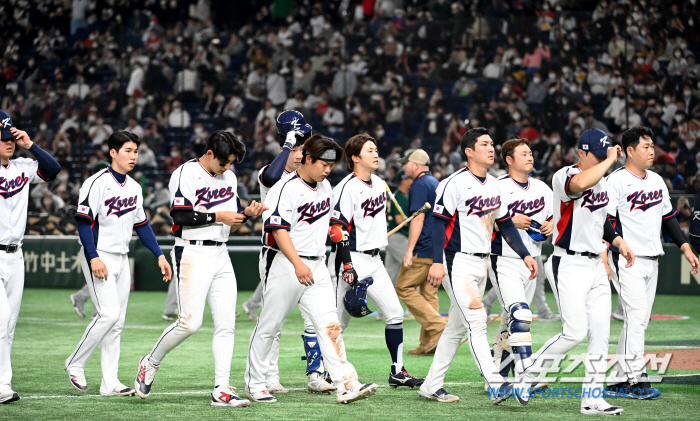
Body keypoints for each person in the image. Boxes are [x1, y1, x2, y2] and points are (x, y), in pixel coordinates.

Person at [135, 131, 266, 408]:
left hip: (221, 252)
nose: (227, 168)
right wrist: (220, 215)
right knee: (189, 323)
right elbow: (180, 215)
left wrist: (247, 215)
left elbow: (234, 221)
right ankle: (150, 362)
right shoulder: (186, 173)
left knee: (226, 323)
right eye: (224, 162)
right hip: (191, 250)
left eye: (231, 163)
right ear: (209, 154)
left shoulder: (228, 177)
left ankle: (222, 388)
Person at [245, 134, 378, 404]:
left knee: (330, 325)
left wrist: (340, 236)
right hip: (284, 261)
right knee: (270, 325)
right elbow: (277, 231)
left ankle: (346, 383)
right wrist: (297, 264)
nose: (328, 170)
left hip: (316, 263)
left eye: (331, 165)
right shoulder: (285, 188)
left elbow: (331, 224)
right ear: (307, 159)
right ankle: (256, 383)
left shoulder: (325, 186)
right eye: (323, 164)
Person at [521, 128, 635, 416]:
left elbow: (602, 220)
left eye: (603, 155)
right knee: (574, 333)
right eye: (595, 155)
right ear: (581, 152)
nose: (600, 160)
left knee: (601, 333)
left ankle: (592, 399)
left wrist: (617, 241)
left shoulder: (604, 181)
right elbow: (581, 184)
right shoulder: (564, 176)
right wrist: (609, 161)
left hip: (596, 263)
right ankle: (527, 375)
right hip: (567, 263)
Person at [419, 128, 536, 404]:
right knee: (477, 321)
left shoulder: (495, 184)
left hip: (482, 262)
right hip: (456, 260)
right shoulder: (453, 183)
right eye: (484, 144)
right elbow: (438, 224)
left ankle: (431, 385)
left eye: (492, 143)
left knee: (457, 328)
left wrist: (524, 254)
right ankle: (495, 382)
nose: (491, 148)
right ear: (469, 151)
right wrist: (437, 263)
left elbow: (505, 223)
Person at [66, 131, 172, 397]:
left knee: (117, 323)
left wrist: (159, 254)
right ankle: (75, 362)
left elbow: (142, 225)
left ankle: (109, 383)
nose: (133, 156)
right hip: (99, 254)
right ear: (112, 153)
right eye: (127, 150)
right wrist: (93, 257)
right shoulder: (96, 183)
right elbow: (83, 221)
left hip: (122, 257)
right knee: (108, 314)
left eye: (135, 151)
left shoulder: (134, 187)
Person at [240, 110, 335, 395]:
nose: (298, 153)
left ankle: (316, 374)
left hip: (311, 257)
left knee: (316, 318)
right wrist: (286, 145)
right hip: (276, 254)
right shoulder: (273, 173)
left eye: (301, 149)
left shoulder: (315, 180)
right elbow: (270, 176)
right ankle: (268, 376)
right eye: (293, 148)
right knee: (274, 320)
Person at [605, 126, 699, 398]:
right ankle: (637, 379)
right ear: (630, 151)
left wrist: (685, 248)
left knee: (639, 320)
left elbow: (668, 219)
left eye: (652, 145)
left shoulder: (657, 180)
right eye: (645, 146)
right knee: (636, 318)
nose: (652, 150)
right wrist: (615, 247)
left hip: (652, 258)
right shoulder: (617, 181)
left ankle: (618, 379)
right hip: (626, 259)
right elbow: (607, 222)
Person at [329, 134, 424, 388]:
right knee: (339, 321)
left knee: (394, 314)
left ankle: (397, 372)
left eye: (376, 149)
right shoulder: (346, 187)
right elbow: (337, 227)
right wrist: (347, 265)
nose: (376, 154)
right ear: (355, 158)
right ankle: (327, 371)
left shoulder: (380, 182)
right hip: (352, 258)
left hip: (375, 260)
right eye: (370, 150)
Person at [0, 111, 61, 404]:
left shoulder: (22, 167)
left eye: (10, 136)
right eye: (3, 139)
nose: (8, 142)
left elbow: (53, 168)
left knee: (9, 325)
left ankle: (2, 384)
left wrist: (30, 144)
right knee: (0, 321)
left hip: (16, 255)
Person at [487, 138, 554, 383]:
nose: (530, 156)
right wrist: (508, 221)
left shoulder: (542, 188)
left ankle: (498, 372)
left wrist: (550, 225)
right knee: (520, 315)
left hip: (533, 258)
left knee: (512, 319)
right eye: (523, 153)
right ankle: (524, 372)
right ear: (509, 159)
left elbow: (553, 217)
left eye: (530, 152)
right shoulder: (496, 186)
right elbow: (481, 222)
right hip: (503, 257)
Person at [394, 149, 445, 356]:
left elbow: (418, 218)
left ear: (415, 165)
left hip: (423, 247)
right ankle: (429, 342)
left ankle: (438, 327)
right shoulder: (436, 183)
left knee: (403, 287)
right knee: (429, 292)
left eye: (406, 163)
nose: (403, 166)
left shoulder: (419, 184)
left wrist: (409, 250)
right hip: (437, 246)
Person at [385, 170, 412, 284]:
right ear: (403, 180)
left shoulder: (397, 195)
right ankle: (418, 300)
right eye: (410, 179)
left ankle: (385, 299)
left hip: (391, 237)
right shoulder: (402, 197)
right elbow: (399, 220)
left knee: (391, 273)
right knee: (413, 267)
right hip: (398, 237)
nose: (412, 182)